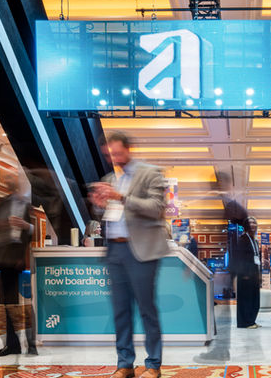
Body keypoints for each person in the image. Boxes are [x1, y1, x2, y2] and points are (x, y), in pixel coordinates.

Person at [89, 132, 168, 378]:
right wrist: (98, 204)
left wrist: (121, 197)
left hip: (141, 251)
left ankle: (153, 364)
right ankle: (125, 364)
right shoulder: (110, 179)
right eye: (109, 155)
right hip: (115, 250)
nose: (114, 158)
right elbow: (107, 213)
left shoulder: (150, 173)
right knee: (120, 311)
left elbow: (157, 208)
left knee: (146, 309)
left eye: (118, 153)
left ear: (129, 149)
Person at [0, 173, 36, 356]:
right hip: (2, 257)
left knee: (20, 304)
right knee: (7, 303)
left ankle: (28, 343)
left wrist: (25, 225)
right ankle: (12, 344)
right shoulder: (1, 203)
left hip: (16, 258)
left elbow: (33, 231)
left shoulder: (26, 206)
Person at [234, 216, 261, 329]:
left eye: (254, 223)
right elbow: (239, 258)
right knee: (246, 299)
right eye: (250, 223)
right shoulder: (242, 239)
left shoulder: (254, 240)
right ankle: (245, 323)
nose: (253, 225)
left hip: (254, 274)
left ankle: (251, 321)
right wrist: (244, 273)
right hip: (245, 275)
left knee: (254, 299)